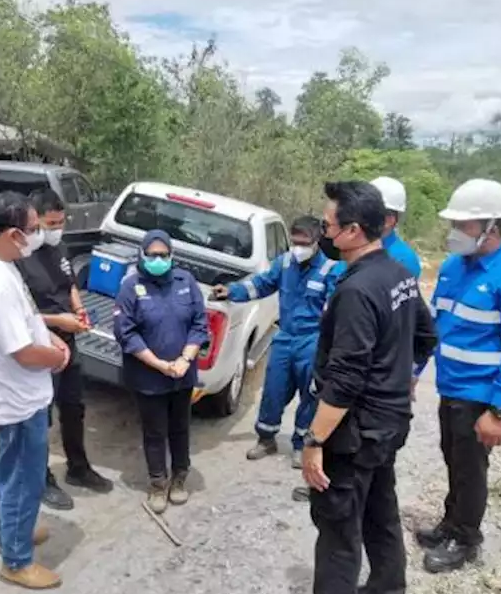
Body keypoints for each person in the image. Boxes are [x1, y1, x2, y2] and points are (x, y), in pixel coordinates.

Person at [289, 181, 437, 594]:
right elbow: (425, 338)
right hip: (389, 422)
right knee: (378, 509)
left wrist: (314, 442)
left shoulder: (357, 290)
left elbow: (347, 379)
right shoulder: (398, 275)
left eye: (329, 223)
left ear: (354, 230)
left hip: (355, 429)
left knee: (337, 521)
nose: (324, 229)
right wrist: (400, 380)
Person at [414, 178, 501, 574]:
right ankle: (450, 523)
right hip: (450, 386)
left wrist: (500, 410)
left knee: (471, 469)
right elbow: (434, 328)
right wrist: (414, 371)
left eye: (463, 225)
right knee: (453, 459)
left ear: (492, 226)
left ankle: (466, 539)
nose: (455, 233)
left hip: (481, 395)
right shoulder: (454, 267)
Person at [0, 192, 70, 590]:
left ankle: (14, 533)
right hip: (17, 398)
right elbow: (23, 352)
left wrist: (51, 339)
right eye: (33, 230)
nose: (38, 236)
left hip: (13, 393)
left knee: (11, 471)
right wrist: (57, 358)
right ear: (12, 234)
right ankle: (16, 560)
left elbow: (26, 326)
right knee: (23, 478)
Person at [211, 216, 339, 468]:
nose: (298, 247)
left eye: (304, 243)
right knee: (273, 390)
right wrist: (232, 291)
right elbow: (262, 284)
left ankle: (301, 446)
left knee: (310, 395)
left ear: (317, 242)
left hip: (312, 342)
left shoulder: (331, 271)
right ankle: (266, 438)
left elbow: (336, 310)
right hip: (285, 337)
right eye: (295, 242)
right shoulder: (285, 263)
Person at [18, 188, 114, 505]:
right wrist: (59, 321)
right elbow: (21, 316)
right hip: (39, 345)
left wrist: (78, 309)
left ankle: (78, 467)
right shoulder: (19, 258)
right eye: (51, 223)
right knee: (40, 417)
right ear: (34, 219)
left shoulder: (58, 247)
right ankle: (40, 477)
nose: (57, 228)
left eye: (61, 222)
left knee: (73, 407)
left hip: (68, 343)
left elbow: (68, 282)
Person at [113, 229, 210, 514]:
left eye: (163, 254)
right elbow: (125, 333)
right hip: (148, 376)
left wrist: (184, 359)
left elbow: (199, 324)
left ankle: (180, 478)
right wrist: (159, 364)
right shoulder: (131, 287)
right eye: (152, 254)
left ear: (172, 255)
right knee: (155, 432)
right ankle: (158, 483)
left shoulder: (186, 282)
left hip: (182, 373)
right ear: (142, 254)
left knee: (180, 428)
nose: (158, 259)